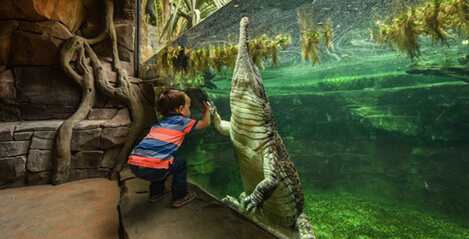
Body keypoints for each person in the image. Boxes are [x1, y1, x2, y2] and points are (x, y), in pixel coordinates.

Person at [128, 89, 211, 208]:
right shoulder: (183, 122)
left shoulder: (158, 125)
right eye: (189, 107)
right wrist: (207, 111)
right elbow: (205, 123)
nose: (190, 110)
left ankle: (156, 193)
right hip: (152, 166)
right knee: (179, 164)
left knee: (161, 160)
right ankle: (180, 196)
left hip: (134, 163)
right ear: (181, 109)